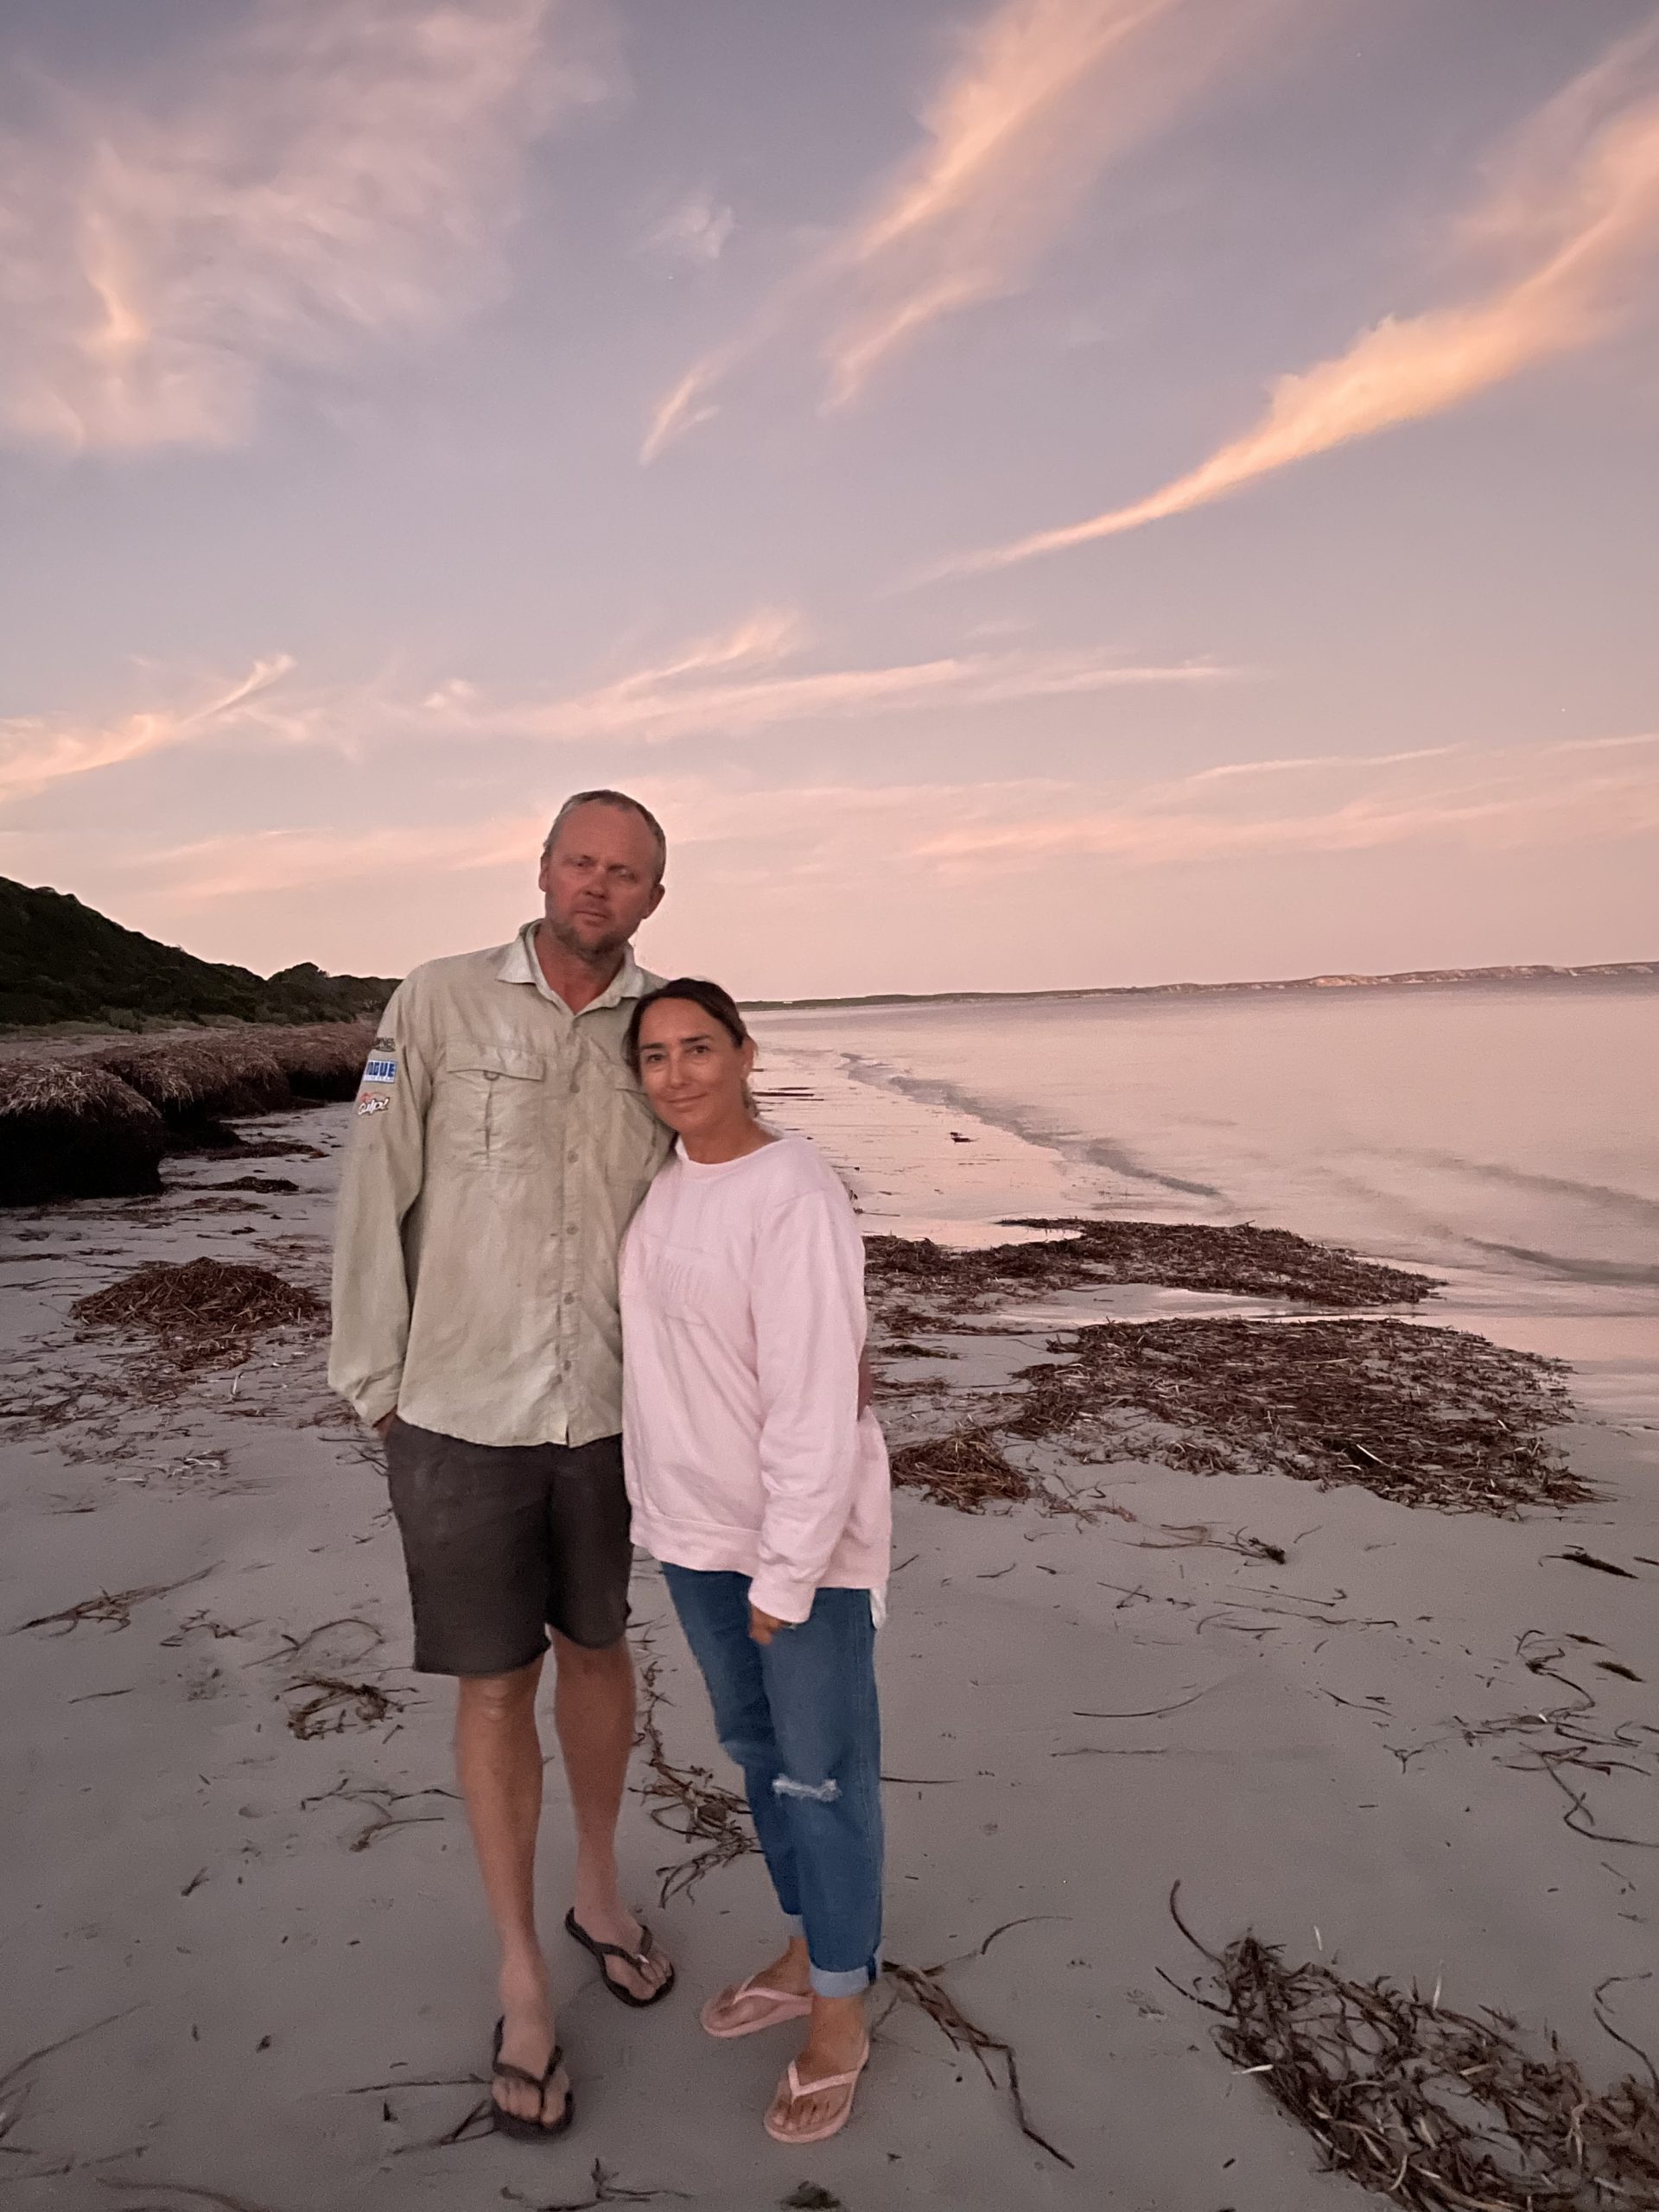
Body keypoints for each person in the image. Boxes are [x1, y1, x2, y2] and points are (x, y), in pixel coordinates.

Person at [329, 791, 678, 2142]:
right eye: (581, 862)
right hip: (460, 1405)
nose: (599, 887)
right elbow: (378, 1186)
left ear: (656, 896)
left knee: (599, 1651)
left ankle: (597, 1890)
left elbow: (707, 1200)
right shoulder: (434, 1002)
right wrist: (375, 1382)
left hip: (610, 1413)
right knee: (494, 1686)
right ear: (542, 870)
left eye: (628, 873)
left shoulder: (665, 1028)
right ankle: (523, 1975)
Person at [618, 978, 891, 2147]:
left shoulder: (794, 1191)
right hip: (692, 1539)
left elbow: (817, 1399)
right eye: (655, 1056)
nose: (677, 1073)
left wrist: (786, 1574)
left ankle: (841, 2013)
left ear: (744, 1052)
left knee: (823, 1778)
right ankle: (805, 1943)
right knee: (758, 1757)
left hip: (797, 1555)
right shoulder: (668, 1185)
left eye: (698, 1048)